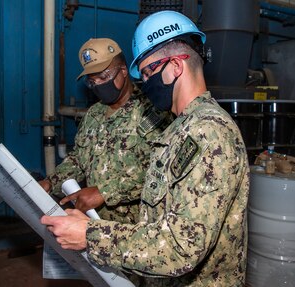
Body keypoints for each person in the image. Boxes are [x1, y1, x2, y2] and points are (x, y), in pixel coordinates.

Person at [41, 10, 250, 286]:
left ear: (176, 66)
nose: (145, 80)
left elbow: (182, 247)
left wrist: (90, 235)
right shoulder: (181, 127)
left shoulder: (208, 133)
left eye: (149, 70)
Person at [39, 37, 169, 225]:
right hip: (97, 226)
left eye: (103, 77)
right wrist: (50, 182)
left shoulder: (153, 111)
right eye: (92, 81)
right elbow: (78, 160)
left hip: (138, 231)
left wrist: (105, 191)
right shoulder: (93, 114)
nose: (98, 85)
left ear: (123, 71)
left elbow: (163, 172)